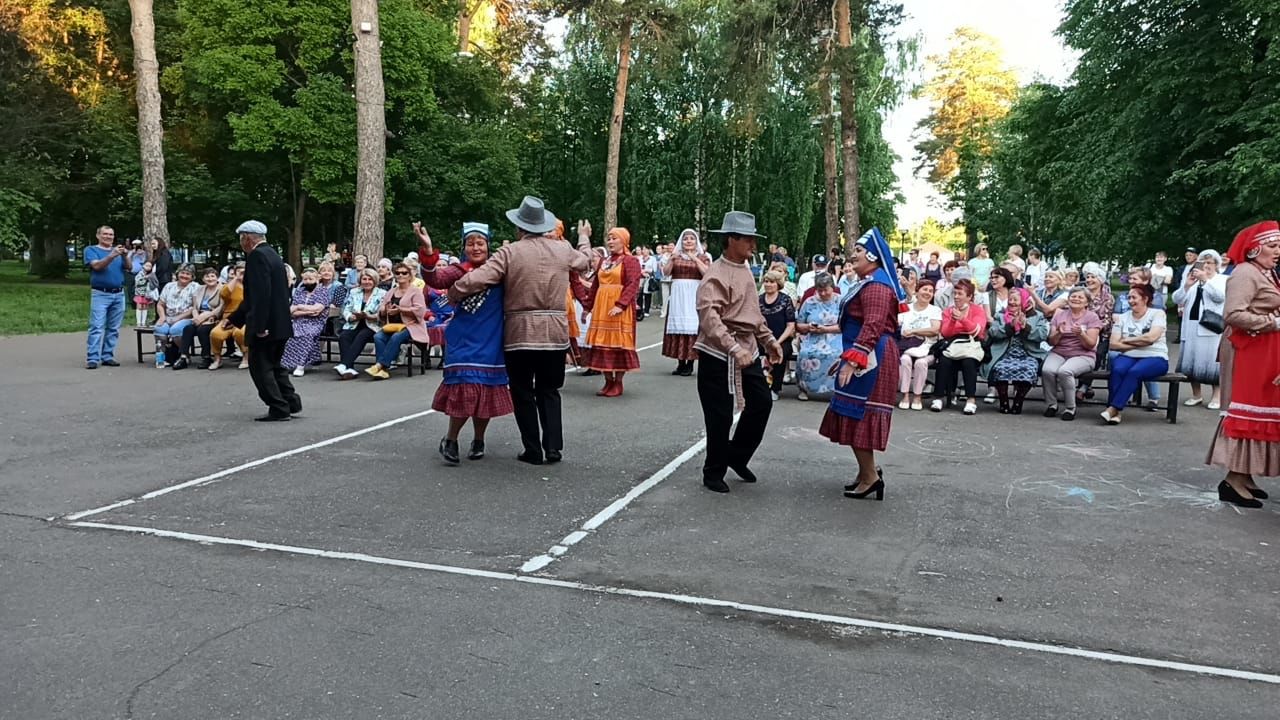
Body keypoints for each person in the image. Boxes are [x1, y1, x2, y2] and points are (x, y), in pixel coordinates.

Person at [447, 196, 593, 465]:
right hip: (554, 331)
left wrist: (455, 292)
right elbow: (587, 261)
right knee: (550, 389)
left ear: (519, 227)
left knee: (523, 390)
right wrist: (584, 237)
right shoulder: (562, 250)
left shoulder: (509, 252)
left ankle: (532, 449)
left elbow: (479, 278)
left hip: (519, 332)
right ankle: (553, 447)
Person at [694, 211, 784, 493]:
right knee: (719, 415)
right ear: (732, 239)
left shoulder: (745, 269)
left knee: (761, 403)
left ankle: (737, 455)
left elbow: (752, 313)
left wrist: (769, 340)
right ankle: (713, 472)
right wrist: (733, 347)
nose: (753, 246)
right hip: (718, 353)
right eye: (748, 240)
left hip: (746, 347)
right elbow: (709, 317)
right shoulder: (715, 274)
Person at [820, 228, 907, 501]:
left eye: (858, 250)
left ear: (872, 256)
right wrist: (847, 357)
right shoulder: (870, 281)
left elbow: (872, 326)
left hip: (873, 357)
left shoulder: (877, 286)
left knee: (858, 412)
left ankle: (870, 477)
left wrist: (853, 361)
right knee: (852, 410)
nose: (852, 255)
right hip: (868, 354)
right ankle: (866, 472)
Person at [419, 221, 515, 464]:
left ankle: (479, 439)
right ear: (464, 247)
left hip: (491, 337)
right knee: (464, 387)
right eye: (470, 243)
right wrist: (429, 252)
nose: (476, 247)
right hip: (463, 337)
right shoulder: (459, 271)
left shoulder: (500, 270)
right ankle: (451, 439)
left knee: (485, 389)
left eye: (480, 243)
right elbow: (434, 278)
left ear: (488, 245)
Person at [1207, 221, 1280, 508]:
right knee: (1246, 409)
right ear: (1254, 249)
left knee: (1261, 409)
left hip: (1261, 349)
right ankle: (1233, 479)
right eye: (1273, 247)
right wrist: (1272, 322)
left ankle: (1243, 475)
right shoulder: (1245, 273)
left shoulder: (1265, 272)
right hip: (1245, 349)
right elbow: (1233, 314)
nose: (1278, 252)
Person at [226, 220, 300, 422]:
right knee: (275, 365)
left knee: (260, 367)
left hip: (266, 325)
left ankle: (278, 407)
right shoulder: (273, 254)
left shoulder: (257, 257)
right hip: (280, 323)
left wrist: (260, 326)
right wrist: (235, 319)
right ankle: (290, 401)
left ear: (247, 238)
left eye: (241, 238)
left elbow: (260, 296)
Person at [574, 226, 642, 397]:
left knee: (618, 343)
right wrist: (587, 307)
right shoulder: (604, 261)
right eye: (609, 238)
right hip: (602, 306)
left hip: (619, 308)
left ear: (624, 241)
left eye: (614, 238)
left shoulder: (630, 261)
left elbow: (632, 284)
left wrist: (621, 304)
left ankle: (617, 382)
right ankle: (607, 381)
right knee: (602, 344)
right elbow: (596, 285)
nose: (610, 241)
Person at [1099, 285, 1168, 425]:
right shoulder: (1123, 317)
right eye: (1129, 297)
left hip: (1156, 356)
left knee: (1135, 371)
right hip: (1129, 355)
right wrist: (1141, 341)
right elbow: (1113, 344)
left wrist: (1126, 340)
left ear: (1145, 299)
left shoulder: (1157, 314)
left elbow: (1151, 338)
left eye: (1134, 297)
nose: (1130, 301)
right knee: (1118, 369)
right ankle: (1116, 413)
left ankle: (1113, 408)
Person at [1171, 249, 1226, 409]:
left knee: (1212, 364)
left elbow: (1219, 298)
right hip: (1191, 326)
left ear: (1217, 265)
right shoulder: (1193, 280)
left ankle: (1216, 396)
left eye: (1210, 262)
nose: (1206, 265)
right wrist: (1187, 285)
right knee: (1191, 362)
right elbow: (1177, 299)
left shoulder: (1222, 280)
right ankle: (1196, 395)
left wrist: (1206, 281)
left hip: (1211, 327)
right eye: (1203, 262)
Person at [981, 286, 1048, 414]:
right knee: (999, 368)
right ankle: (1004, 401)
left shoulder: (1036, 316)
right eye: (1010, 299)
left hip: (1027, 353)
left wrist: (1025, 327)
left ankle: (1018, 400)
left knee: (1030, 368)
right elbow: (993, 332)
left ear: (1023, 300)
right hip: (1004, 352)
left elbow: (1042, 335)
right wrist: (1009, 326)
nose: (1012, 302)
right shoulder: (1000, 314)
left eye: (1016, 299)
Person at [1041, 287, 1102, 421]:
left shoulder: (1092, 317)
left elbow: (1090, 344)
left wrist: (1081, 334)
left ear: (1087, 302)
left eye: (1080, 297)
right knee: (1047, 370)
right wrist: (1058, 333)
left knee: (1065, 371)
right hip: (1059, 351)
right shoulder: (1059, 315)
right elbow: (1051, 341)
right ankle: (1052, 405)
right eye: (1073, 296)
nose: (1076, 299)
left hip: (1084, 354)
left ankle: (1070, 408)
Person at [930, 278, 988, 414]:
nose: (956, 297)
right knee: (944, 360)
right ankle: (938, 397)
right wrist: (952, 321)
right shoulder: (948, 311)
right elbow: (945, 333)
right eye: (954, 293)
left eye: (960, 294)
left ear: (969, 297)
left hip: (971, 344)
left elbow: (978, 331)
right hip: (953, 344)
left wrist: (962, 319)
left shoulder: (978, 310)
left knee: (969, 362)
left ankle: (971, 400)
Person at [366, 263, 429, 380]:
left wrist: (401, 310)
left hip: (411, 326)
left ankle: (381, 366)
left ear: (410, 276)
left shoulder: (416, 291)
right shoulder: (391, 292)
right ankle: (382, 369)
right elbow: (382, 308)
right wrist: (385, 311)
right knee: (378, 336)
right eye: (397, 273)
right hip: (392, 325)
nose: (401, 275)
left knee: (396, 337)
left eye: (404, 273)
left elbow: (420, 310)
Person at [661, 229, 710, 376]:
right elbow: (666, 272)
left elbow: (707, 273)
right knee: (678, 326)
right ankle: (680, 362)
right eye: (685, 239)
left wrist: (694, 258)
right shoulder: (676, 257)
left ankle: (690, 363)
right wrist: (671, 259)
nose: (688, 241)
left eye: (692, 239)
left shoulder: (703, 256)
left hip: (693, 291)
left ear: (696, 242)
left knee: (693, 326)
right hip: (678, 292)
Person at [84, 225, 129, 369]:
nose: (108, 237)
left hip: (118, 293)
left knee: (114, 328)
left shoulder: (117, 251)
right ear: (98, 235)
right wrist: (111, 255)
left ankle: (107, 356)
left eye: (111, 234)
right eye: (105, 234)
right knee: (97, 326)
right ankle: (92, 358)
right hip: (100, 293)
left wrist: (125, 255)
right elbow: (97, 266)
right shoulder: (91, 250)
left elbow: (128, 267)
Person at [794, 273, 843, 401]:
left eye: (825, 290)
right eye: (819, 290)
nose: (822, 293)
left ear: (832, 287)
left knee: (837, 354)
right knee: (805, 353)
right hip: (813, 337)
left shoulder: (841, 301)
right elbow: (799, 324)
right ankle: (804, 388)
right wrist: (808, 327)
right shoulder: (809, 302)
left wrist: (826, 329)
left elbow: (845, 325)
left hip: (835, 336)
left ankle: (835, 389)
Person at [897, 279, 942, 410]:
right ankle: (905, 395)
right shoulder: (907, 308)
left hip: (928, 348)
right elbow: (897, 325)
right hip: (907, 346)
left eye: (931, 291)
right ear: (917, 292)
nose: (927, 293)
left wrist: (913, 331)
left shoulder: (935, 310)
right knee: (905, 360)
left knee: (921, 363)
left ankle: (917, 396)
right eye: (924, 289)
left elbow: (934, 330)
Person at [333, 268, 386, 379]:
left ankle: (344, 364)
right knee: (344, 336)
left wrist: (368, 316)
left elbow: (381, 314)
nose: (367, 282)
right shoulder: (354, 292)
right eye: (364, 279)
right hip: (355, 322)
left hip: (373, 324)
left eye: (370, 279)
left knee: (362, 336)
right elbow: (346, 309)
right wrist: (350, 316)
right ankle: (350, 369)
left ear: (375, 281)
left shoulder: (382, 294)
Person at [279, 268, 331, 377]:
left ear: (317, 279)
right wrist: (304, 310)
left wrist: (300, 308)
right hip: (298, 320)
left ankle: (300, 365)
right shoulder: (299, 291)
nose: (307, 281)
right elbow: (291, 311)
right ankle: (287, 364)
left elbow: (317, 310)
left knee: (307, 334)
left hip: (316, 322)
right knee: (290, 333)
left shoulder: (323, 291)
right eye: (305, 279)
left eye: (310, 279)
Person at [176, 267, 224, 370]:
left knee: (203, 330)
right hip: (199, 317)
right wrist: (196, 317)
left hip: (213, 318)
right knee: (187, 329)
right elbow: (195, 307)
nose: (210, 279)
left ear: (217, 278)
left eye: (212, 276)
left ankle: (206, 357)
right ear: (203, 279)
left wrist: (205, 317)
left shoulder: (222, 289)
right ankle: (184, 357)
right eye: (207, 276)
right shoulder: (200, 289)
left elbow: (220, 308)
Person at [758, 270, 796, 401]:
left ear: (778, 284)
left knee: (781, 352)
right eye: (766, 281)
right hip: (762, 339)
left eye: (772, 282)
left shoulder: (785, 300)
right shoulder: (759, 300)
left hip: (782, 339)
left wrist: (777, 342)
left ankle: (775, 388)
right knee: (755, 352)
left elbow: (790, 326)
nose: (768, 284)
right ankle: (760, 386)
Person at [152, 264, 199, 368]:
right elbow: (160, 304)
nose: (184, 276)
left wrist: (178, 318)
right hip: (168, 316)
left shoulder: (195, 287)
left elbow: (195, 307)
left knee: (175, 330)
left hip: (186, 317)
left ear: (192, 276)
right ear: (178, 274)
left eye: (188, 274)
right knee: (159, 329)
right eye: (182, 273)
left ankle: (184, 355)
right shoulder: (169, 286)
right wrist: (162, 317)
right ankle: (162, 357)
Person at [209, 262, 248, 371]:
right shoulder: (230, 285)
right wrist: (236, 278)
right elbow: (224, 294)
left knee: (240, 333)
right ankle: (217, 358)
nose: (242, 274)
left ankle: (246, 357)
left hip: (245, 318)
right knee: (215, 334)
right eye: (239, 271)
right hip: (228, 318)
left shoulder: (252, 285)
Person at [133, 260, 158, 327]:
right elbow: (137, 282)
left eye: (150, 266)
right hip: (139, 293)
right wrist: (145, 278)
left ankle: (143, 322)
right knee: (139, 306)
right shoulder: (140, 273)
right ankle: (139, 322)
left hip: (147, 293)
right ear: (143, 266)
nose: (148, 267)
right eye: (147, 265)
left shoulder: (151, 274)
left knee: (145, 307)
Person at [636, 246, 657, 321]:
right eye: (643, 249)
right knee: (639, 294)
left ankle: (647, 310)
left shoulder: (652, 259)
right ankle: (640, 309)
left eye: (645, 249)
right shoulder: (639, 258)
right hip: (640, 277)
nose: (644, 251)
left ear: (648, 250)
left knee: (647, 293)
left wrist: (646, 271)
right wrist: (641, 272)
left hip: (648, 277)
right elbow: (637, 267)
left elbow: (654, 269)